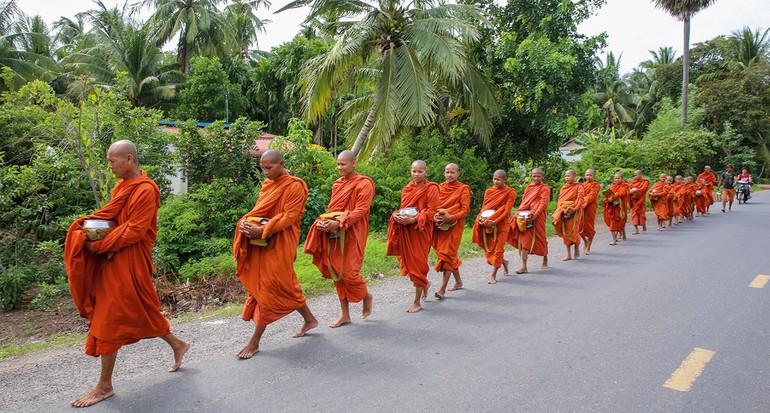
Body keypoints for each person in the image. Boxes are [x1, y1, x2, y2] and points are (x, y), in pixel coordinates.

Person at [64, 140, 189, 408]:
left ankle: (104, 386)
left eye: (113, 161)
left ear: (129, 159)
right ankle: (178, 344)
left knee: (108, 318)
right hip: (116, 257)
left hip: (131, 258)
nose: (110, 167)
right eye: (109, 161)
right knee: (141, 308)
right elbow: (115, 222)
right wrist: (90, 231)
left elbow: (135, 230)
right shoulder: (120, 187)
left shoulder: (146, 189)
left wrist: (97, 246)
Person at [233, 150, 318, 359]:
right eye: (263, 168)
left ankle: (255, 341)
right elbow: (260, 211)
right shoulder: (268, 185)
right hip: (262, 241)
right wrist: (247, 223)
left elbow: (289, 217)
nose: (266, 172)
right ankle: (310, 319)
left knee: (269, 285)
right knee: (283, 284)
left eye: (269, 168)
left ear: (281, 164)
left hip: (282, 240)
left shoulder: (295, 186)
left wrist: (262, 230)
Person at [303, 150, 374, 328]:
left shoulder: (364, 184)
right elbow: (332, 207)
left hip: (354, 230)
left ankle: (366, 296)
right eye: (338, 164)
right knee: (336, 272)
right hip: (335, 231)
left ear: (354, 163)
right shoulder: (337, 184)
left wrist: (341, 222)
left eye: (343, 164)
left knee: (349, 272)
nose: (339, 167)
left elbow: (361, 210)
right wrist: (325, 221)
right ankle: (345, 315)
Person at [387, 160, 439, 313]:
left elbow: (431, 211)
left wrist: (414, 219)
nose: (416, 174)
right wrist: (398, 215)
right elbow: (406, 208)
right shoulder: (407, 189)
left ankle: (416, 301)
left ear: (426, 172)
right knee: (409, 263)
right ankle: (425, 283)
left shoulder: (432, 188)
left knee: (419, 263)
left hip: (421, 230)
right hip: (407, 230)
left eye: (420, 171)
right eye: (414, 171)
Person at [432, 163, 471, 298]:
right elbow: (433, 206)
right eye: (447, 172)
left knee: (447, 255)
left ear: (458, 173)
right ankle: (458, 282)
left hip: (454, 226)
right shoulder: (438, 188)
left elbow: (465, 209)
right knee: (449, 255)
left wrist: (451, 217)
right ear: (444, 173)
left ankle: (441, 289)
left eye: (453, 172)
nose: (449, 175)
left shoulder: (463, 188)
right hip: (438, 226)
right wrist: (435, 216)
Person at [472, 169, 517, 284]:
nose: (496, 181)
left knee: (498, 249)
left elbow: (506, 211)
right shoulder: (489, 191)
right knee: (490, 247)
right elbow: (484, 208)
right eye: (494, 179)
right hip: (489, 223)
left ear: (504, 180)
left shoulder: (510, 192)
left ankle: (493, 275)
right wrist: (481, 220)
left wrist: (495, 221)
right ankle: (504, 262)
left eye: (498, 179)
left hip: (502, 224)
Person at [508, 168, 550, 274]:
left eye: (538, 176)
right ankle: (524, 266)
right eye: (534, 176)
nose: (536, 178)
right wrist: (519, 213)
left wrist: (534, 215)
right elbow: (524, 202)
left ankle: (545, 258)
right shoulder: (529, 188)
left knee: (541, 238)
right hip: (526, 216)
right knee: (525, 240)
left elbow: (542, 204)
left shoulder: (545, 188)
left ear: (542, 177)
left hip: (538, 217)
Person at [552, 170, 584, 261]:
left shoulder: (579, 186)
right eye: (566, 176)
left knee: (574, 231)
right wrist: (560, 210)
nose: (567, 178)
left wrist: (574, 208)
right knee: (565, 231)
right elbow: (560, 200)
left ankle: (576, 247)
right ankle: (568, 254)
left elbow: (580, 199)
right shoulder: (564, 187)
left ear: (574, 176)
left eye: (569, 176)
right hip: (564, 211)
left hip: (575, 211)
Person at [603, 171, 630, 246]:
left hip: (621, 207)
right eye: (615, 178)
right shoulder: (613, 185)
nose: (617, 180)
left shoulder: (625, 185)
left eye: (618, 178)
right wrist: (607, 199)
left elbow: (622, 192)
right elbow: (609, 193)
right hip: (613, 207)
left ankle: (623, 232)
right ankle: (613, 239)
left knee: (621, 222)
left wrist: (613, 196)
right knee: (613, 222)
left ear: (622, 179)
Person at [580, 169, 601, 255]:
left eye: (590, 175)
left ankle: (588, 247)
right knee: (579, 227)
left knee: (590, 227)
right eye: (587, 175)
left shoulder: (596, 185)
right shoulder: (581, 185)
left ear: (594, 176)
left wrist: (581, 202)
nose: (588, 177)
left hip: (590, 208)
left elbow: (591, 196)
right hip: (581, 208)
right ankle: (585, 241)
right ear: (584, 175)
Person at [628, 170, 650, 234]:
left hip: (641, 200)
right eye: (634, 175)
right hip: (633, 201)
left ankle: (643, 225)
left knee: (642, 214)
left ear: (640, 174)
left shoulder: (645, 181)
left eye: (636, 175)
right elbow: (628, 189)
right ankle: (636, 230)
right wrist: (631, 191)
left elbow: (644, 189)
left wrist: (636, 190)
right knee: (634, 215)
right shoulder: (632, 182)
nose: (635, 176)